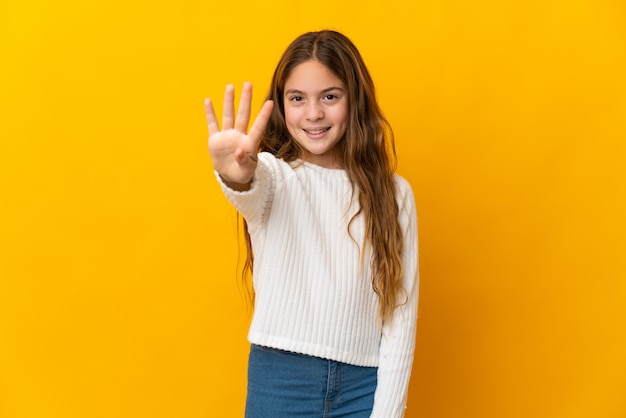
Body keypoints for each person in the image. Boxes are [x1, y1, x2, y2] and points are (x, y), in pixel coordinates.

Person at [204, 30, 419, 418]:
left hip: (364, 386)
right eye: (297, 99)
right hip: (282, 381)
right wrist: (235, 173)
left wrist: (388, 412)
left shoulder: (395, 194)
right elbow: (248, 186)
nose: (314, 113)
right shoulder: (274, 176)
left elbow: (400, 316)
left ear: (355, 101)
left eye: (330, 97)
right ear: (281, 104)